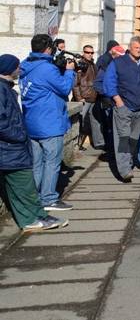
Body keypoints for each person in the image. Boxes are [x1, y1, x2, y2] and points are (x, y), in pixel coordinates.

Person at [0, 54, 69, 232]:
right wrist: (19, 136)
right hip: (9, 149)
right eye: (16, 66)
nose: (20, 69)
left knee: (25, 186)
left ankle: (39, 215)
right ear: (9, 69)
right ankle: (30, 220)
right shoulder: (1, 90)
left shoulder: (6, 87)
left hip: (13, 148)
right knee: (23, 185)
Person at [20, 34, 76, 211]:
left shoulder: (25, 66)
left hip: (32, 121)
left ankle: (33, 197)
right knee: (52, 162)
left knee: (36, 163)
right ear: (48, 49)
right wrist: (68, 71)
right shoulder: (46, 68)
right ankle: (49, 199)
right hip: (49, 121)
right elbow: (65, 88)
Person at [104, 36, 140, 182]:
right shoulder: (118, 63)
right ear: (130, 48)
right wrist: (118, 101)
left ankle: (129, 163)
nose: (139, 51)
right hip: (124, 106)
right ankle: (124, 170)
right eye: (136, 48)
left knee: (134, 138)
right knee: (122, 139)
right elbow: (109, 82)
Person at [73, 44, 102, 152]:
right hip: (84, 98)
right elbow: (75, 83)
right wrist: (79, 97)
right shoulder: (81, 64)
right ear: (83, 52)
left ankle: (98, 143)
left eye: (91, 52)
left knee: (94, 121)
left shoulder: (93, 64)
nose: (89, 54)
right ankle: (77, 145)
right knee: (81, 122)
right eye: (87, 52)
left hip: (93, 97)